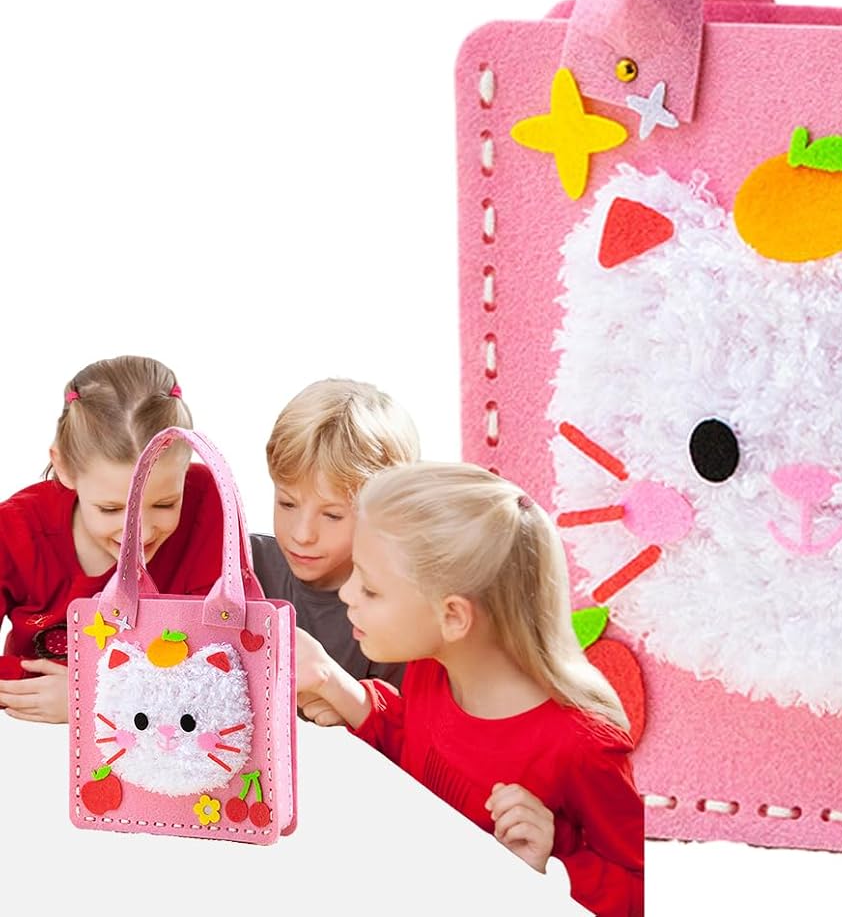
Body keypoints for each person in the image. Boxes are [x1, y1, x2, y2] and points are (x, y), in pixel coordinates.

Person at [297, 462, 644, 916]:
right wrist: (335, 685)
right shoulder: (432, 669)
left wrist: (551, 863)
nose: (346, 594)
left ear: (453, 617)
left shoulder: (584, 747)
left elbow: (636, 887)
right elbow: (417, 750)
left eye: (371, 589)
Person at [0, 355, 223, 720]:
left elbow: (222, 655)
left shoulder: (207, 499)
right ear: (63, 466)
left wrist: (96, 694)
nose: (142, 533)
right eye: (110, 509)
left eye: (164, 504)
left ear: (186, 470)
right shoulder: (14, 528)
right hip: (36, 732)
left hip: (171, 733)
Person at [249, 377, 419, 690]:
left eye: (332, 515)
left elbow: (398, 718)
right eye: (287, 503)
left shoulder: (397, 610)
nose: (302, 534)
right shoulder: (244, 565)